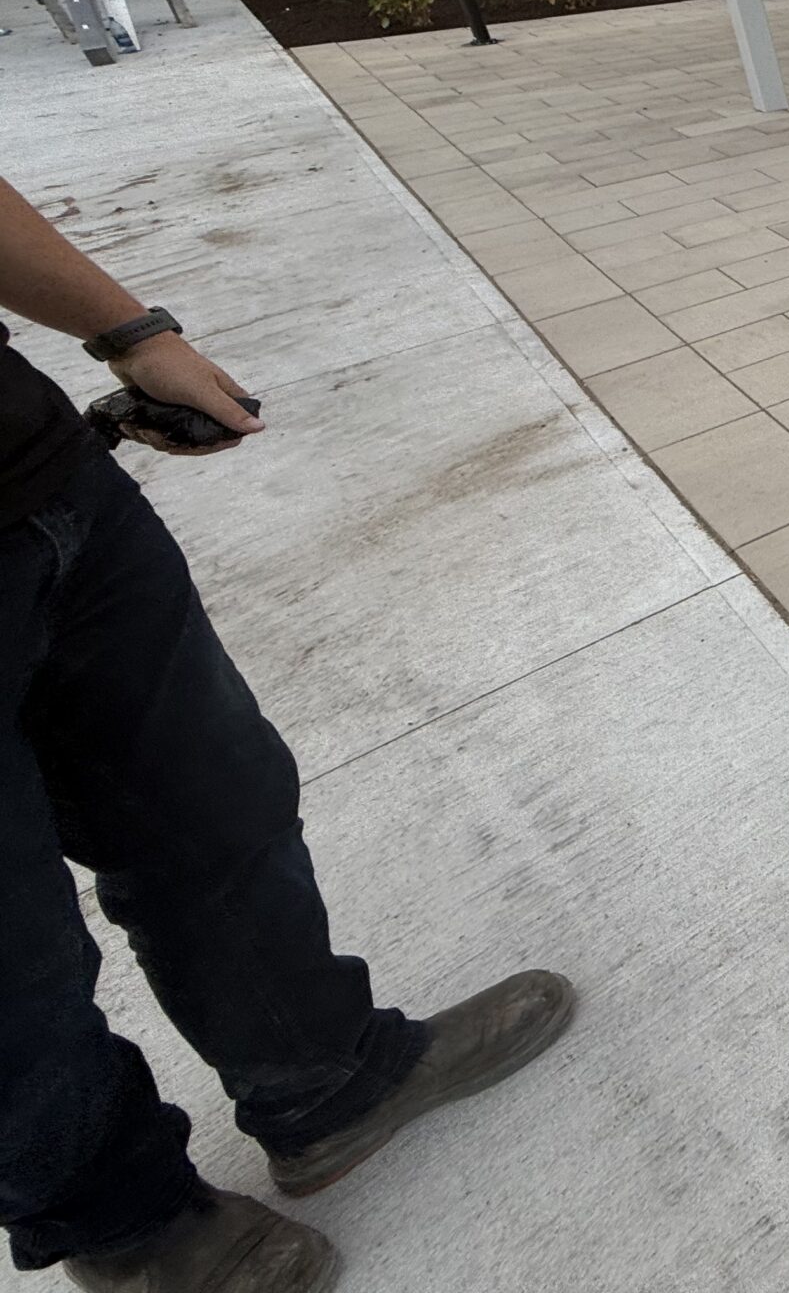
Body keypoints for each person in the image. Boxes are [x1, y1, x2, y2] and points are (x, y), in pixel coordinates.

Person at [0, 175, 573, 1291]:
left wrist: (129, 331)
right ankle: (127, 1223)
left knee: (212, 806)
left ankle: (324, 1080)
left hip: (40, 486)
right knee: (12, 957)